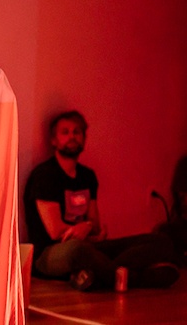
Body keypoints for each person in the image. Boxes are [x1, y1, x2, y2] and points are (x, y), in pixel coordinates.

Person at [24, 110, 180, 291]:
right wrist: (86, 229)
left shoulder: (87, 176)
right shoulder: (45, 175)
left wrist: (89, 228)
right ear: (53, 140)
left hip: (90, 246)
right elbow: (56, 232)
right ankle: (136, 278)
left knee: (160, 241)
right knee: (77, 249)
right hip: (50, 253)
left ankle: (97, 276)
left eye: (77, 132)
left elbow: (95, 224)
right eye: (65, 132)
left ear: (84, 138)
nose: (72, 137)